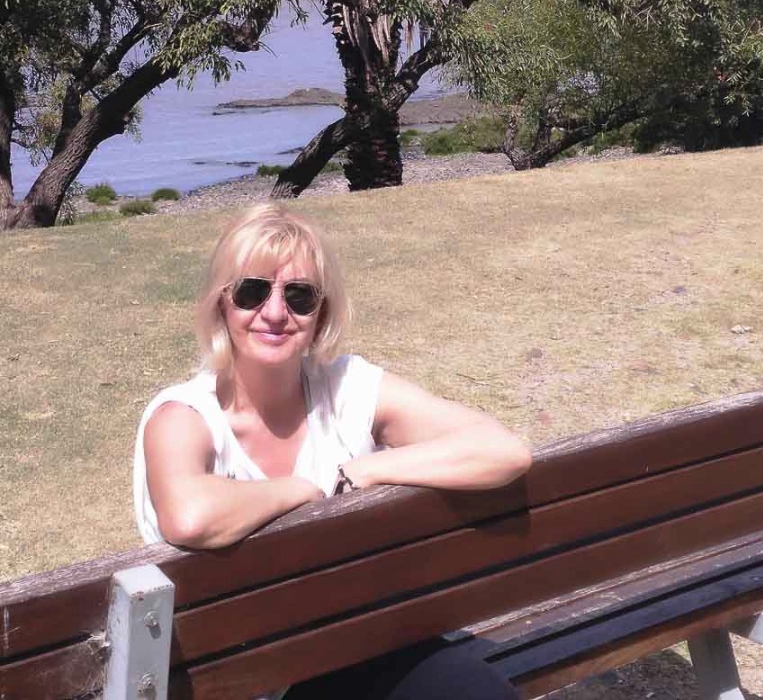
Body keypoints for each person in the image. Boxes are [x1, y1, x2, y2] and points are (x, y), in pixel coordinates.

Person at [133, 204, 532, 698]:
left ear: (321, 313)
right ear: (221, 304)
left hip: (355, 649)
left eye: (299, 296)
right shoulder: (183, 416)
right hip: (242, 683)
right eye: (252, 291)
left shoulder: (348, 389)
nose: (275, 313)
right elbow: (190, 516)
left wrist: (369, 468)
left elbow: (502, 450)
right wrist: (302, 491)